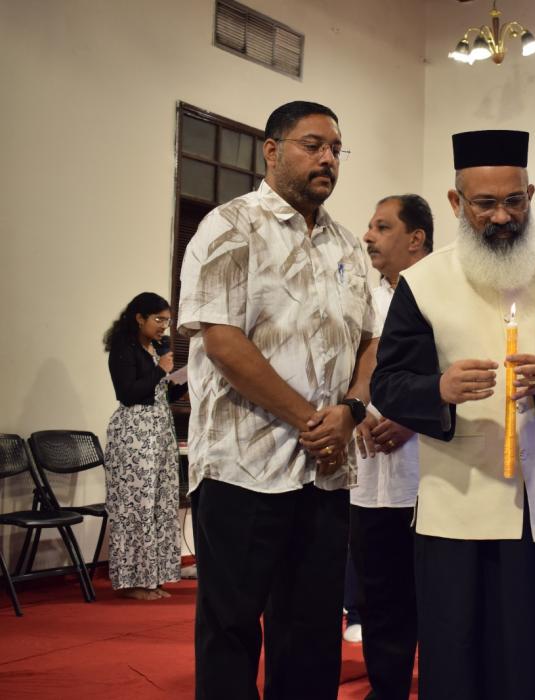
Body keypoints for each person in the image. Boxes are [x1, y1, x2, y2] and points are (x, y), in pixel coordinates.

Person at [370, 129, 535, 700]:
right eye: (485, 204)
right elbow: (388, 383)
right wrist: (440, 388)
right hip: (459, 509)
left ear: (530, 195)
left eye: (514, 201)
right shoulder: (423, 284)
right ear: (457, 203)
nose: (502, 217)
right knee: (462, 663)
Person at [178, 101, 377, 700]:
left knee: (311, 631)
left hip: (324, 471)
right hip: (244, 466)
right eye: (312, 145)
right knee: (232, 628)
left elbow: (370, 342)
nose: (327, 158)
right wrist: (313, 420)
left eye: (336, 149)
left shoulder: (348, 245)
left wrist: (351, 412)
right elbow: (223, 342)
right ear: (271, 150)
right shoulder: (229, 226)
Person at [348, 193, 433, 699]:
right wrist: (354, 410)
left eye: (382, 227)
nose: (368, 236)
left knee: (434, 596)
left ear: (415, 238)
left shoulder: (445, 292)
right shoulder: (362, 298)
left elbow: (466, 370)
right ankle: (387, 691)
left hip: (430, 475)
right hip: (366, 476)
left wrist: (412, 420)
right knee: (378, 597)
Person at [102, 292, 186, 601]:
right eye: (159, 319)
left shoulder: (156, 348)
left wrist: (180, 381)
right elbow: (128, 393)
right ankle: (131, 582)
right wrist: (160, 370)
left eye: (167, 320)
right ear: (139, 318)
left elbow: (159, 394)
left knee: (158, 505)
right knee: (136, 508)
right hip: (134, 436)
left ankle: (152, 578)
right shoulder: (123, 348)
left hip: (158, 434)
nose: (164, 326)